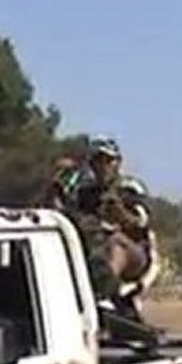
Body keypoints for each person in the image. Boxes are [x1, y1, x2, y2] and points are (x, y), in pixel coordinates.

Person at [54, 136, 158, 318]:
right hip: (96, 251)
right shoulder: (85, 192)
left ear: (117, 163)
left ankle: (106, 293)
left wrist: (120, 212)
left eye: (108, 161)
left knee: (115, 243)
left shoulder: (129, 188)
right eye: (97, 161)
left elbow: (142, 223)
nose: (102, 167)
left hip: (134, 254)